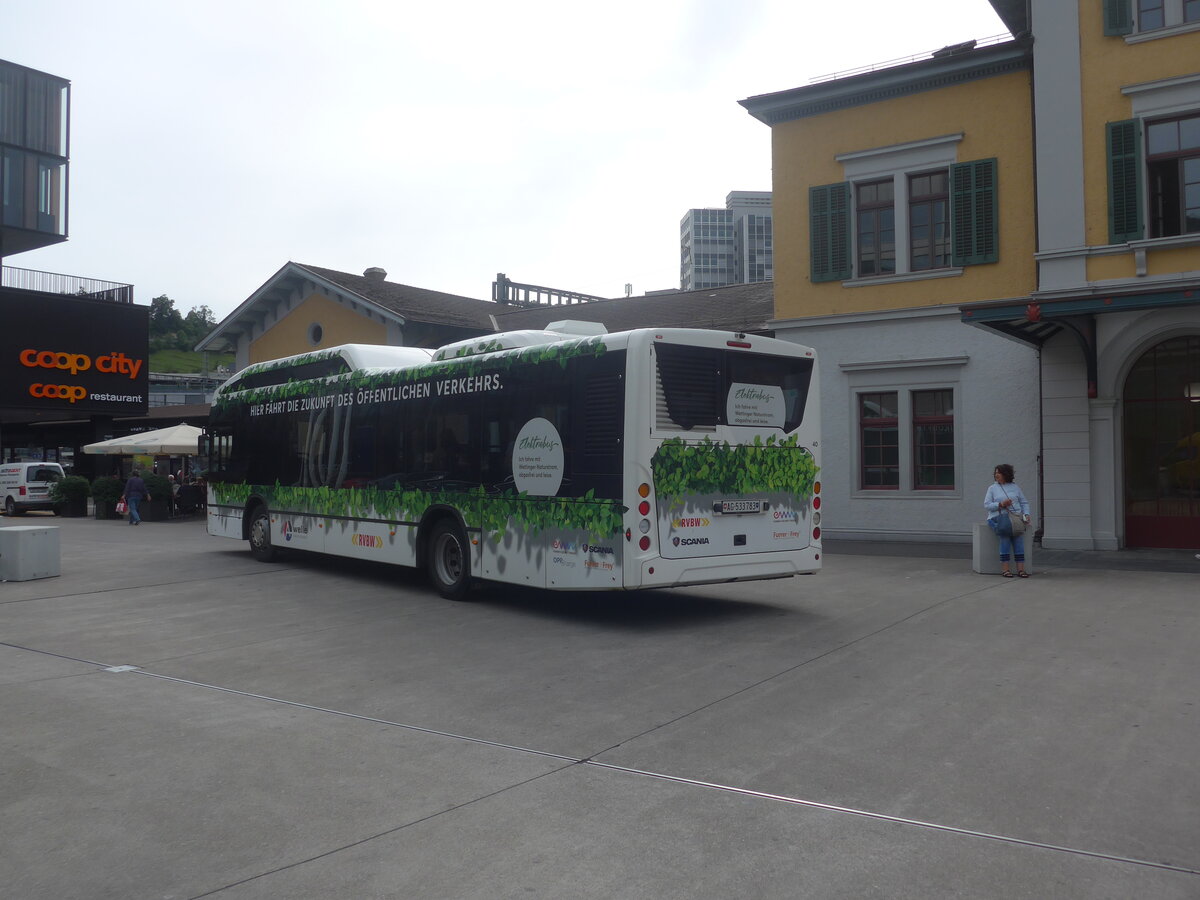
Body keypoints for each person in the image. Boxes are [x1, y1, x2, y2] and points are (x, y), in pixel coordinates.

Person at [984, 463, 1031, 578]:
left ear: (1006, 474)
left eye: (999, 473)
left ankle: (1021, 569)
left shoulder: (1015, 487)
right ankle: (1005, 569)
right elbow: (987, 505)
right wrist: (1000, 504)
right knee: (1005, 537)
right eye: (995, 473)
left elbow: (1024, 503)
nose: (996, 475)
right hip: (998, 518)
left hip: (1014, 518)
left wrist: (1026, 514)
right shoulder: (992, 488)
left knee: (1018, 539)